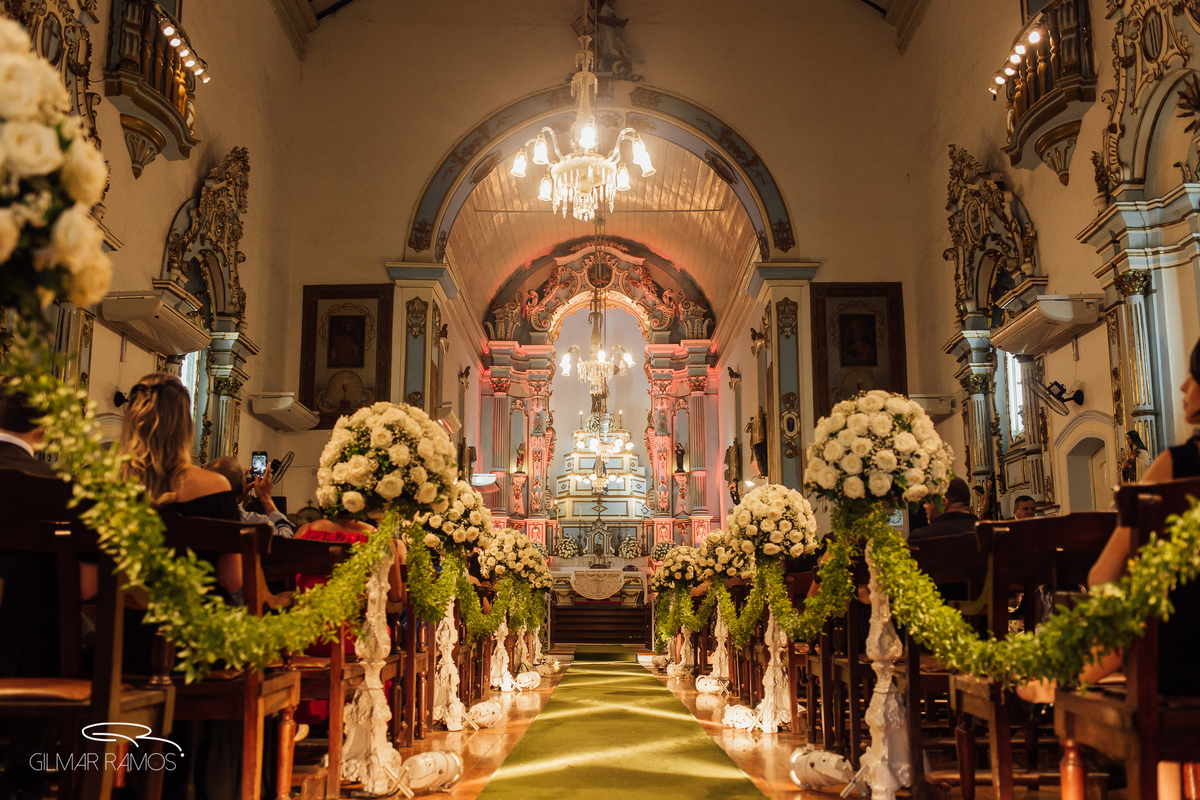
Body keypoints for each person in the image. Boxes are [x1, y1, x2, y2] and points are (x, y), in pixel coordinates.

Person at [1020, 339, 1200, 800]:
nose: (1183, 385)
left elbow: (1103, 576)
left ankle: (1047, 679)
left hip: (1183, 662)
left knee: (1137, 636)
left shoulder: (1177, 466)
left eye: (1195, 375)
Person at [205, 456, 295, 538]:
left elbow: (222, 504)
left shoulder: (198, 515)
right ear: (240, 489)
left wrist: (237, 498)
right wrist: (265, 497)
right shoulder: (256, 522)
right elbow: (286, 539)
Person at [909, 478, 977, 541]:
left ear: (942, 504)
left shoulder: (920, 538)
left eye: (927, 502)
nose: (924, 506)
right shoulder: (985, 533)